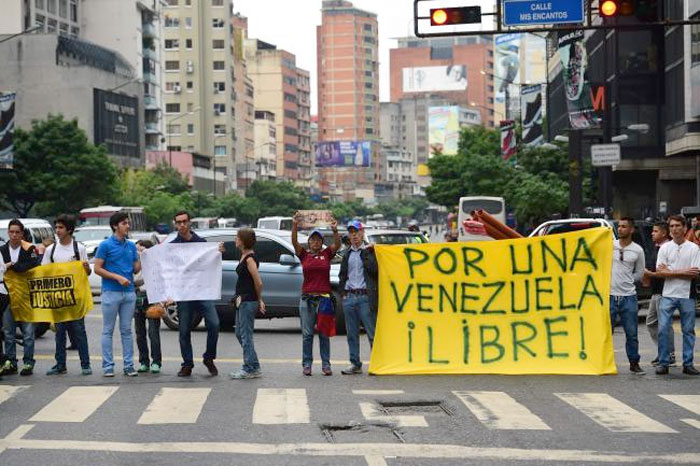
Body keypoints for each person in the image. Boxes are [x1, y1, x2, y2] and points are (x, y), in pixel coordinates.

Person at [170, 211, 224, 377]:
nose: (182, 225)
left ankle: (209, 357)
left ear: (189, 222)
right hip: (184, 294)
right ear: (175, 224)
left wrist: (219, 252)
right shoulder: (172, 246)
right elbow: (166, 268)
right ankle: (187, 363)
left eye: (184, 221)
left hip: (202, 292)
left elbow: (211, 262)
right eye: (178, 222)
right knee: (184, 330)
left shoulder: (201, 243)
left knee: (214, 324)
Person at [648, 215, 700, 376]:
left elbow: (695, 273)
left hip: (687, 294)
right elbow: (660, 272)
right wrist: (682, 271)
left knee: (688, 330)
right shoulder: (664, 248)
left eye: (678, 226)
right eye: (671, 226)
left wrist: (671, 271)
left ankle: (688, 363)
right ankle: (664, 362)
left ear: (685, 228)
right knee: (663, 328)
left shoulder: (694, 248)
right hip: (667, 294)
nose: (674, 229)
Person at [291, 212, 341, 376]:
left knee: (324, 334)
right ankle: (307, 364)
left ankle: (326, 365)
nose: (315, 242)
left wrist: (335, 230)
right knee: (307, 335)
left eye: (318, 240)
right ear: (309, 242)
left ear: (321, 242)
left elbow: (337, 245)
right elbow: (294, 242)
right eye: (312, 239)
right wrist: (294, 225)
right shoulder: (304, 255)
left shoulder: (326, 254)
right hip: (307, 299)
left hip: (324, 300)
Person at [43, 214, 92, 376]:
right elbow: (45, 274)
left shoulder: (79, 249)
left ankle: (85, 364)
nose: (57, 230)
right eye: (56, 227)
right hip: (58, 299)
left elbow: (87, 273)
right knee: (60, 333)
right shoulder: (51, 250)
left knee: (79, 331)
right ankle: (60, 364)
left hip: (76, 299)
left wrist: (86, 268)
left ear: (69, 229)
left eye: (61, 227)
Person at [94, 212, 141, 377]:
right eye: (124, 223)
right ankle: (108, 367)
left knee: (127, 330)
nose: (128, 226)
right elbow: (97, 268)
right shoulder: (105, 245)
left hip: (129, 293)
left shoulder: (131, 246)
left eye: (128, 223)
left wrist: (142, 256)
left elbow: (136, 269)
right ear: (115, 226)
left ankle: (129, 366)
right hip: (111, 292)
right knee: (108, 330)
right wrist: (117, 277)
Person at [1, 219, 41, 376]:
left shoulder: (29, 249)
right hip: (7, 296)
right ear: (8, 233)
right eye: (11, 232)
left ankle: (28, 362)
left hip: (26, 297)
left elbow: (32, 265)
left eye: (17, 232)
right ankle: (11, 362)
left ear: (22, 234)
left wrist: (13, 266)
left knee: (28, 332)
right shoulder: (2, 250)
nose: (14, 235)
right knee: (8, 332)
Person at [338, 220, 378, 375]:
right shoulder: (346, 253)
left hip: (365, 297)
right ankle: (355, 364)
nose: (354, 235)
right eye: (351, 232)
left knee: (371, 333)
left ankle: (376, 364)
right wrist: (343, 294)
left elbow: (374, 271)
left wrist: (367, 253)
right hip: (349, 297)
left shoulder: (369, 251)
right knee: (352, 334)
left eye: (356, 232)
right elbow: (342, 275)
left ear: (362, 233)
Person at [609, 217, 646, 374]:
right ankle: (604, 362)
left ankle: (634, 363)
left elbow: (640, 272)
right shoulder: (610, 246)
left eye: (624, 226)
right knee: (605, 332)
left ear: (632, 229)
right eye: (619, 226)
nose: (620, 229)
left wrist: (628, 280)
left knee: (631, 333)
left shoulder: (637, 250)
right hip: (609, 295)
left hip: (629, 297)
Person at [230, 228, 265, 379]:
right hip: (241, 300)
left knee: (245, 335)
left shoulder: (250, 258)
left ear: (243, 240)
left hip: (248, 301)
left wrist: (259, 300)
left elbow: (258, 282)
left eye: (237, 238)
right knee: (240, 333)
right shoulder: (243, 255)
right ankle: (254, 364)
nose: (235, 240)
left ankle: (250, 368)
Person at [643, 221, 675, 366]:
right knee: (651, 323)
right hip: (655, 292)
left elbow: (664, 272)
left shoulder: (669, 248)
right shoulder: (655, 248)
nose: (652, 233)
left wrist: (649, 273)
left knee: (664, 325)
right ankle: (664, 351)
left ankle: (669, 355)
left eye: (655, 231)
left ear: (664, 233)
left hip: (665, 291)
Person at [133, 239, 162, 374]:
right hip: (137, 298)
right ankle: (144, 361)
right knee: (140, 333)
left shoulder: (156, 264)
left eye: (142, 249)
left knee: (153, 332)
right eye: (137, 250)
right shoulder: (134, 265)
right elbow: (133, 281)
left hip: (152, 298)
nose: (139, 252)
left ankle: (156, 362)